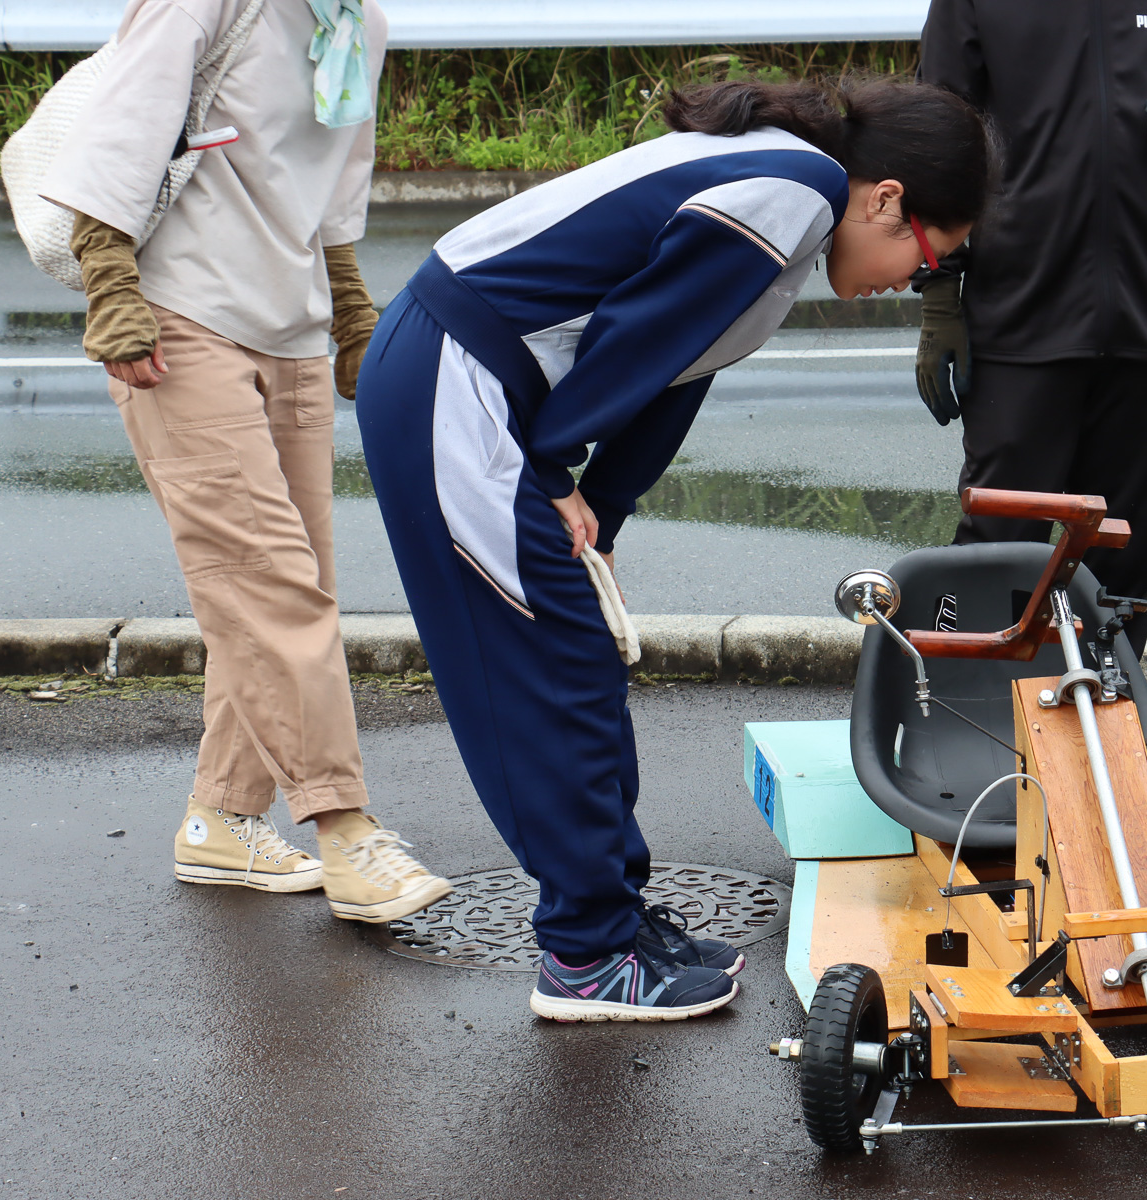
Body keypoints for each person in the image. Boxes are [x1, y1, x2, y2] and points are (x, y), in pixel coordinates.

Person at [355, 78, 995, 1020]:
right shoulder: (797, 188)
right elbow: (634, 339)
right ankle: (584, 956)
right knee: (543, 672)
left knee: (579, 661)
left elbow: (673, 369)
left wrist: (597, 511)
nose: (916, 279)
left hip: (479, 386)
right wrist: (555, 463)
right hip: (458, 382)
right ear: (887, 198)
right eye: (930, 253)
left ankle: (614, 918)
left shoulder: (795, 200)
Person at [38, 0, 451, 922]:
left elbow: (336, 182)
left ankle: (222, 820)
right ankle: (344, 827)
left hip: (293, 325)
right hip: (177, 319)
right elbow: (115, 136)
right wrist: (112, 288)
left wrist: (349, 308)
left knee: (286, 587)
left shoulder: (357, 23)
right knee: (267, 584)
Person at [914, 0, 1147, 655]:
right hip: (1022, 308)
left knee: (1123, 551)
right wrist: (941, 292)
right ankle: (951, 712)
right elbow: (935, 136)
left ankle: (1104, 726)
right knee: (999, 543)